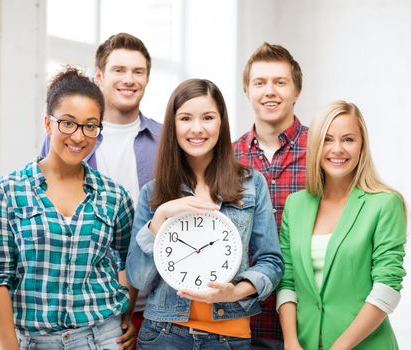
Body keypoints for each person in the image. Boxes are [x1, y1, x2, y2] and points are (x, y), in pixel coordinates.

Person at [0, 68, 136, 349]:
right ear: (48, 123)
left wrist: (125, 315)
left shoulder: (114, 195)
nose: (79, 136)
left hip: (103, 337)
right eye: (68, 123)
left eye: (90, 125)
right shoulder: (7, 191)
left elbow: (129, 261)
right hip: (35, 341)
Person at [125, 79, 283, 349]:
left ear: (221, 123)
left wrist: (236, 292)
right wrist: (160, 217)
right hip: (163, 335)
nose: (197, 128)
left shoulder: (251, 184)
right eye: (185, 118)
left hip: (230, 337)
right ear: (173, 125)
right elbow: (137, 279)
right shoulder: (154, 192)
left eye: (207, 118)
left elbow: (272, 262)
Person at [40, 32, 161, 337]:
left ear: (147, 78)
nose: (129, 80)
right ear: (99, 75)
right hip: (84, 304)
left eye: (138, 71)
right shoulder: (66, 139)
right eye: (119, 70)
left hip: (155, 305)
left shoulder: (166, 140)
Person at [277, 100, 407, 349]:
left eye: (348, 139)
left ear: (362, 146)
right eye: (327, 139)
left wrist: (339, 347)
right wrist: (291, 341)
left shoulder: (384, 204)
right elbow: (288, 282)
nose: (337, 149)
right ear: (315, 146)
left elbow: (387, 288)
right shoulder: (295, 205)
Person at [233, 42, 308, 349]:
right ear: (247, 91)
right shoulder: (227, 158)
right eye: (260, 83)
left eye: (280, 82)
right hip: (243, 319)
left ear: (296, 91)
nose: (270, 91)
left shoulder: (323, 153)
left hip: (308, 318)